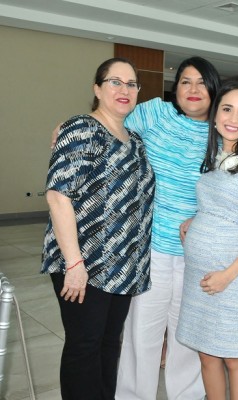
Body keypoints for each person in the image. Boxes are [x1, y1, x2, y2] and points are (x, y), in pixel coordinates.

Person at [41, 57, 155, 400]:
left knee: (108, 342)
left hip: (122, 266)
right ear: (97, 89)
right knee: (84, 345)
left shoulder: (134, 139)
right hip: (83, 263)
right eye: (115, 82)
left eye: (131, 84)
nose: (124, 90)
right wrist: (75, 265)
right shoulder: (81, 128)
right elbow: (58, 196)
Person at [115, 56, 221, 400]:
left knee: (186, 334)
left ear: (213, 89)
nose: (193, 89)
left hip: (197, 253)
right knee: (141, 332)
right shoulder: (156, 113)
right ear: (176, 89)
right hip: (152, 246)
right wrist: (74, 128)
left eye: (202, 82)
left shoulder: (223, 132)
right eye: (185, 82)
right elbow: (110, 121)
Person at [176, 81, 238, 400]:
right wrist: (196, 220)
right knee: (207, 355)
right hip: (200, 278)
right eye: (227, 109)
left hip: (233, 280)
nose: (234, 118)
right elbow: (224, 204)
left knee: (234, 358)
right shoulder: (214, 158)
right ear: (216, 114)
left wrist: (227, 276)